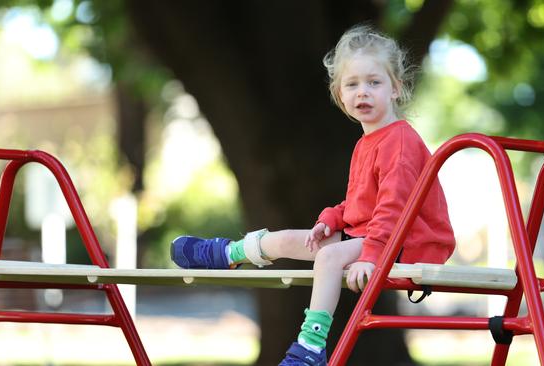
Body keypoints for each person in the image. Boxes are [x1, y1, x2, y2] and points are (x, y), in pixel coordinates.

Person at [171, 24, 455, 366]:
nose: (362, 92)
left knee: (329, 258)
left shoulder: (400, 141)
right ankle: (226, 253)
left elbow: (394, 208)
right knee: (290, 240)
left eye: (373, 82)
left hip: (408, 243)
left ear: (395, 88)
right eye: (352, 85)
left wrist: (371, 255)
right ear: (340, 94)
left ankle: (311, 347)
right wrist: (331, 220)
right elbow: (361, 204)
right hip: (376, 236)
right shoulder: (367, 143)